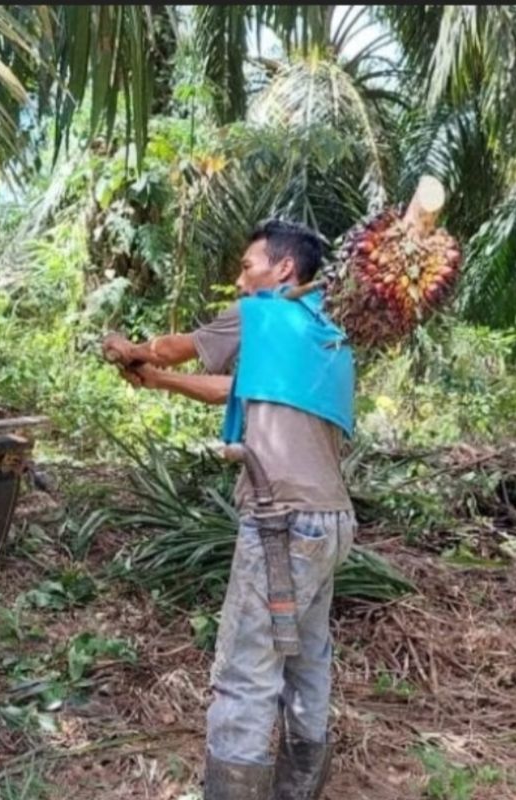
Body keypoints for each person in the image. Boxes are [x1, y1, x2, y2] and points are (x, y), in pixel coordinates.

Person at [103, 219, 356, 800]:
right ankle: (298, 789)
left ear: (283, 269)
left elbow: (176, 346)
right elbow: (233, 388)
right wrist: (160, 382)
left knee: (246, 672)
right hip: (331, 521)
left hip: (281, 522)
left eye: (247, 266)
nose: (240, 280)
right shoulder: (324, 335)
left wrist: (132, 352)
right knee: (307, 660)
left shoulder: (262, 314)